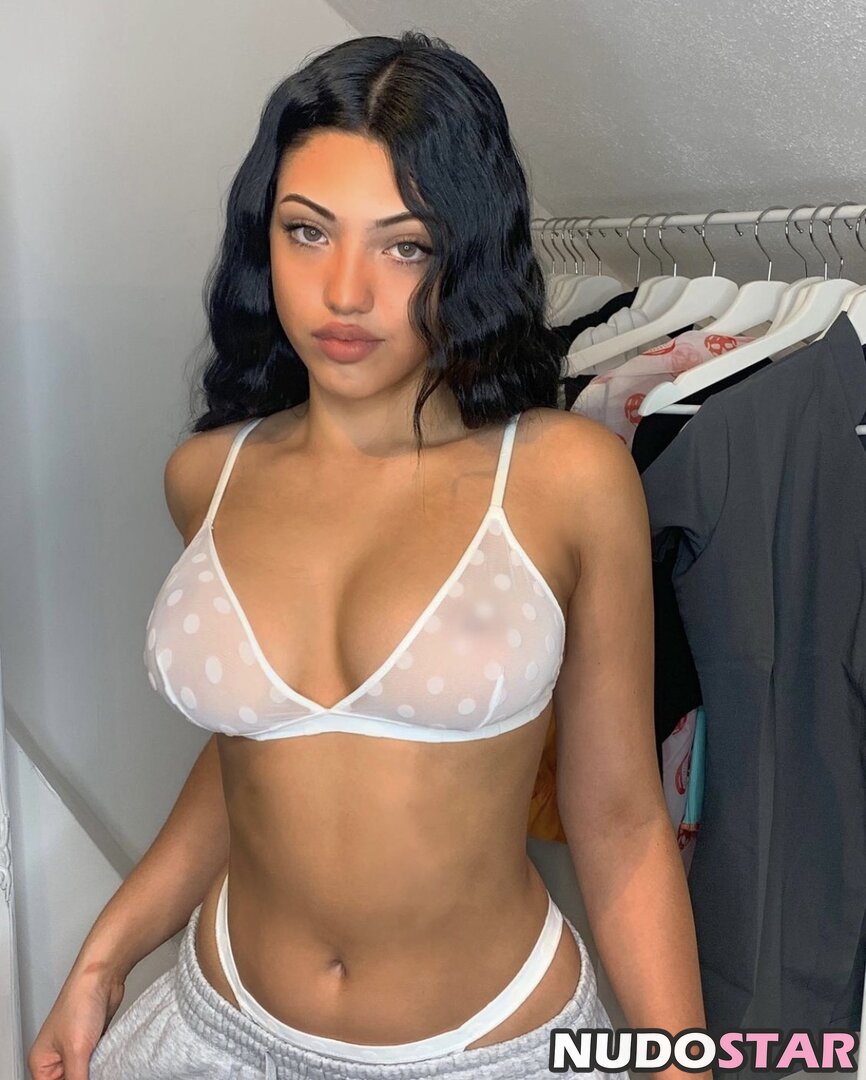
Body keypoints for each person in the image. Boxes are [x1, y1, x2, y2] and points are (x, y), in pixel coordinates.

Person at [28, 31, 708, 1080]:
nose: (344, 291)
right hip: (215, 1029)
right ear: (262, 240)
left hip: (491, 1050)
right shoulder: (205, 476)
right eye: (307, 232)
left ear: (466, 257)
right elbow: (254, 755)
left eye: (404, 246)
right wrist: (102, 961)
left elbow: (619, 819)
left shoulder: (564, 477)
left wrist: (682, 1062)